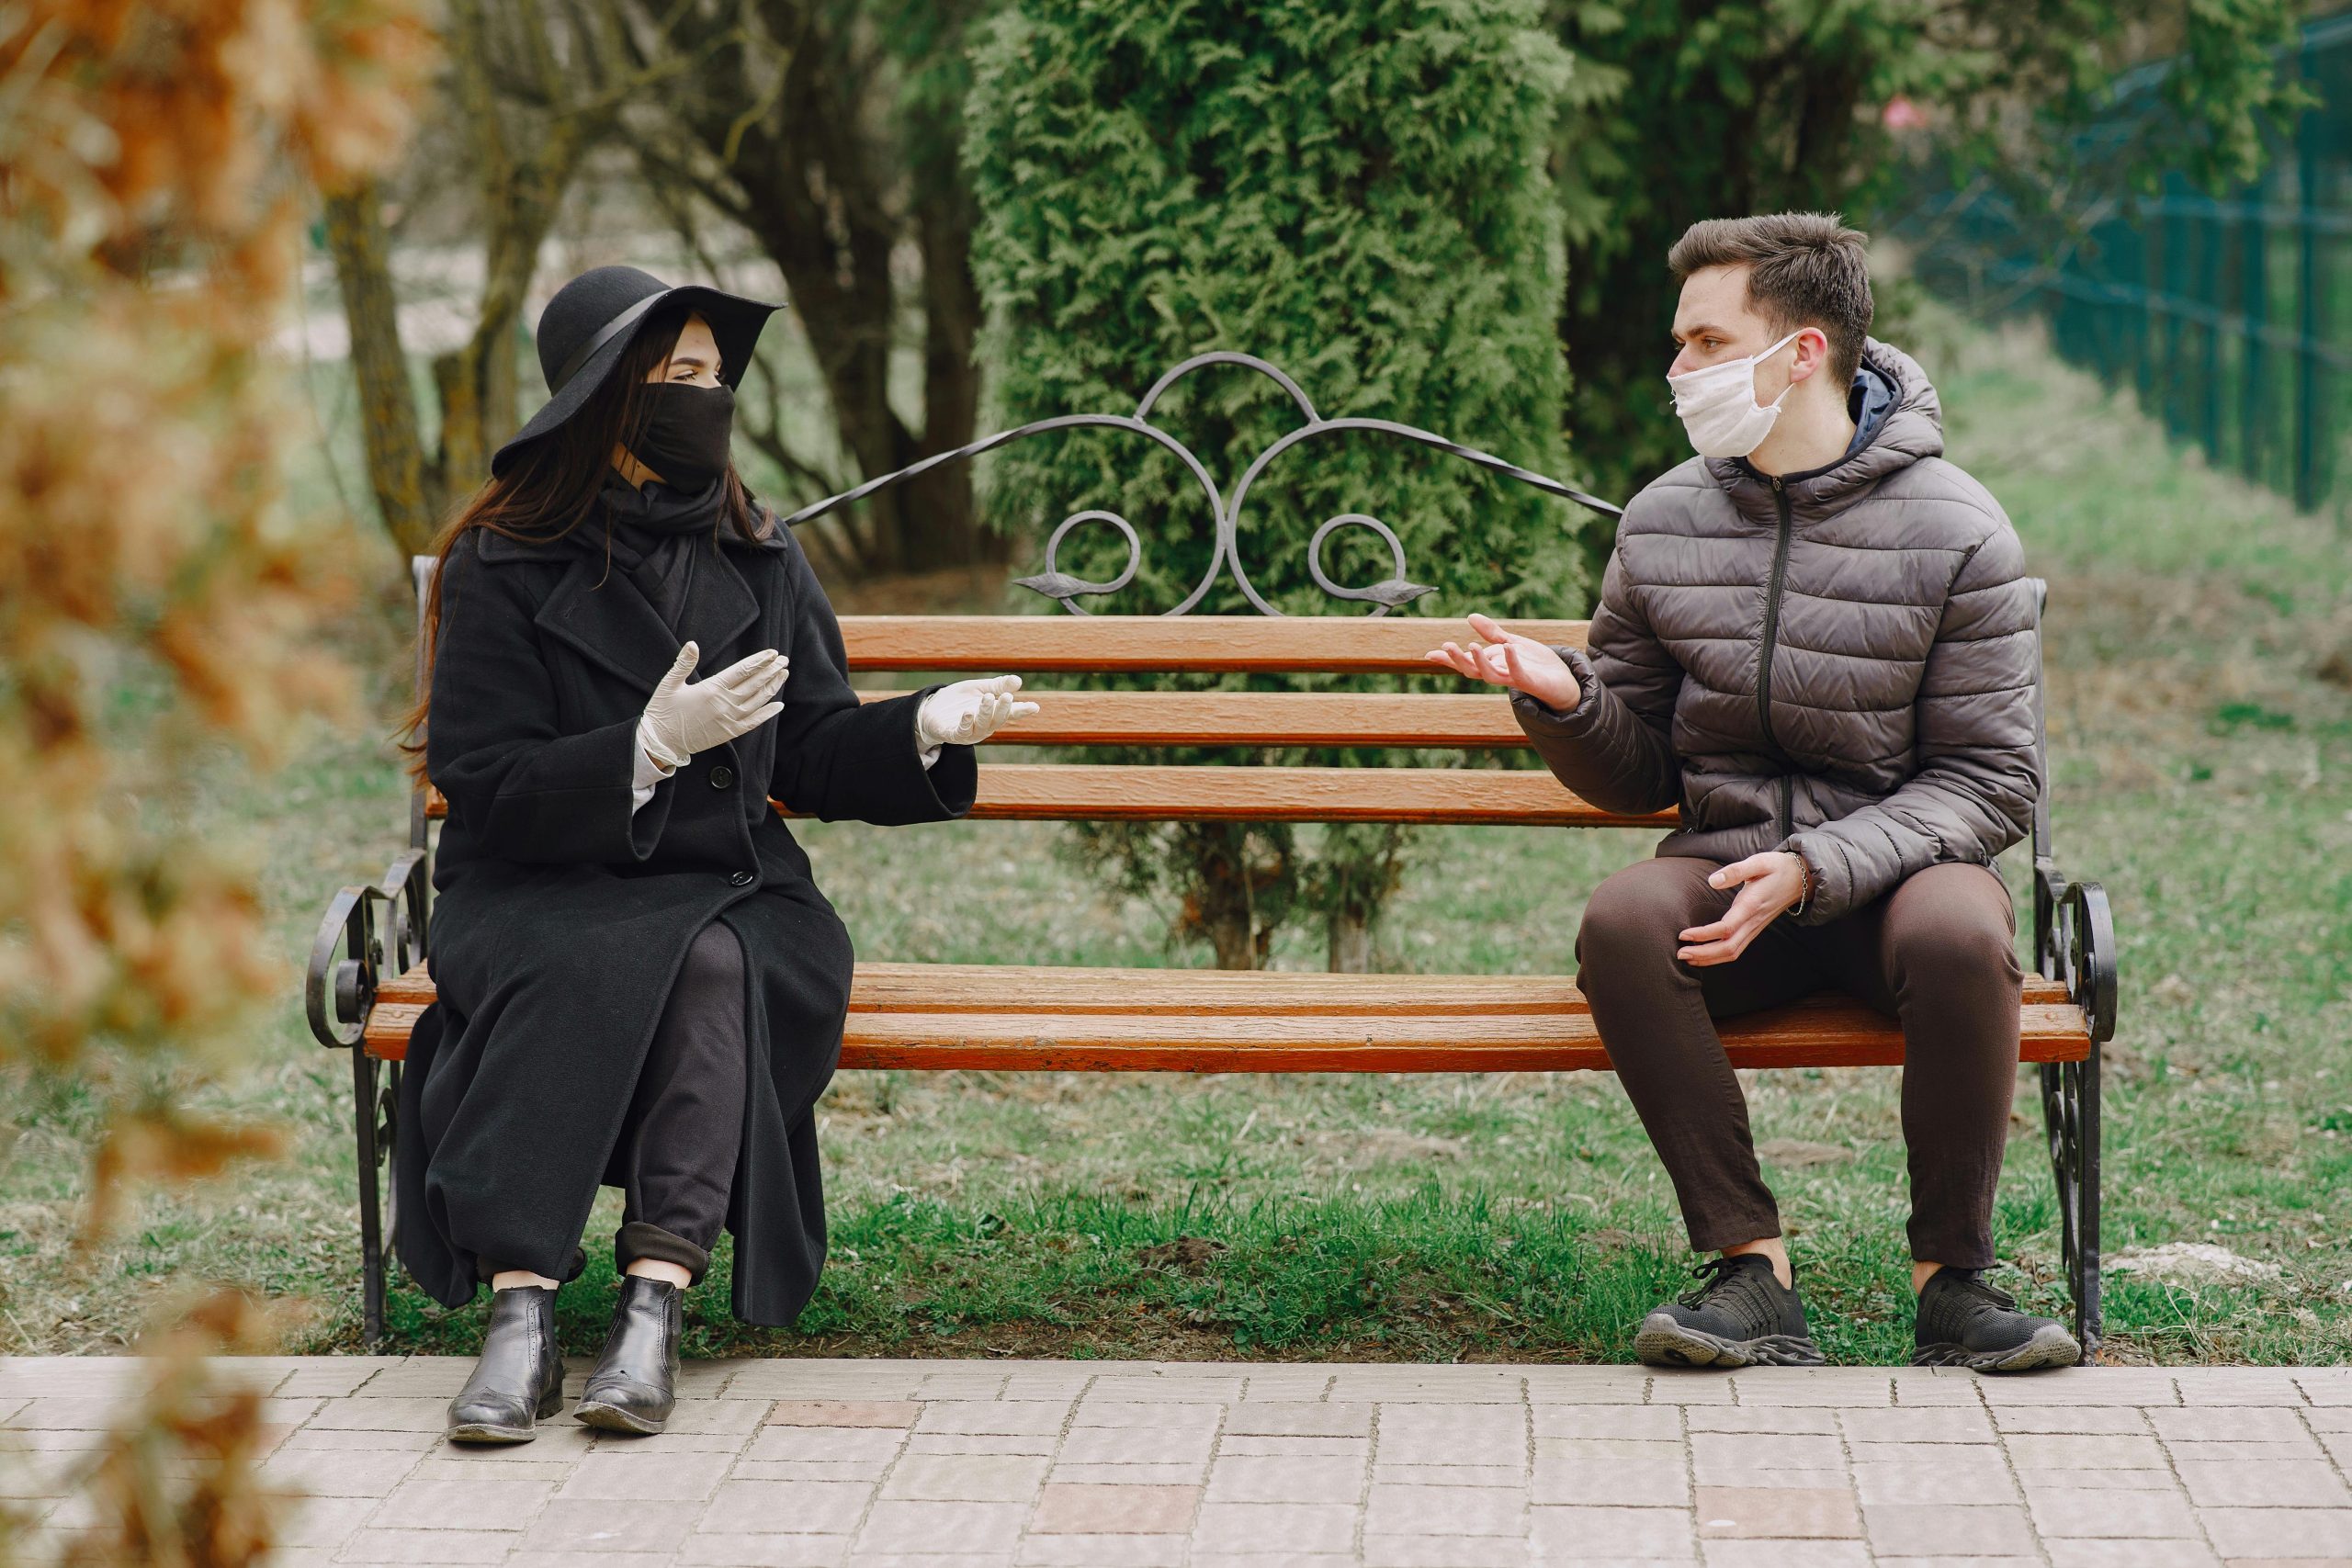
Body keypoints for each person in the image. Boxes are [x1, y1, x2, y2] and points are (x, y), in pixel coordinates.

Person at [395, 265, 1038, 1443]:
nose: (703, 395)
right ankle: (521, 1313)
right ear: (604, 395)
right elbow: (480, 782)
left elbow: (817, 746)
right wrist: (639, 751)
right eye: (674, 374)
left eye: (711, 375)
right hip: (535, 882)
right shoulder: (502, 559)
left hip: (728, 887)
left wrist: (924, 730)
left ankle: (654, 1301)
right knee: (574, 961)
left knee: (709, 961)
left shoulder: (756, 550)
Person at [1429, 213, 2078, 1373]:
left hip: (1893, 887)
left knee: (1964, 932)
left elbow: (1989, 781)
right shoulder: (1664, 521)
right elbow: (1636, 776)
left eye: (1702, 341)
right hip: (1725, 884)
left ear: (1801, 352)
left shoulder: (1957, 529)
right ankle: (1748, 1270)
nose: (1677, 370)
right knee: (1623, 919)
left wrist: (1819, 867)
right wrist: (1562, 697)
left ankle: (1954, 1285)